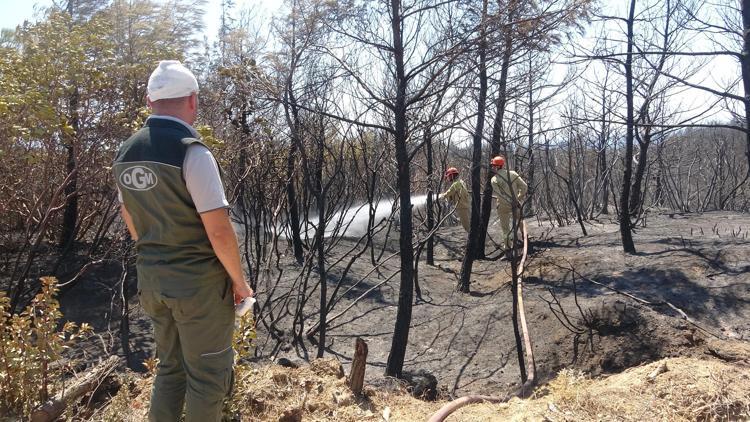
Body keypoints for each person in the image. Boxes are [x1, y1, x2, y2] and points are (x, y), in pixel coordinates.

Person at [113, 60, 253, 422]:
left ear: (149, 101)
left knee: (170, 369)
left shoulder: (125, 154)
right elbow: (219, 230)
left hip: (152, 282)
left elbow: (131, 221)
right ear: (192, 100)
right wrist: (238, 283)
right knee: (207, 377)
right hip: (198, 289)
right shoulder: (193, 152)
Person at [490, 155, 527, 250]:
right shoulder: (513, 174)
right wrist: (517, 198)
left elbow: (499, 194)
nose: (493, 167)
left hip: (503, 206)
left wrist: (509, 201)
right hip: (515, 203)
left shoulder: (494, 179)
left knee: (505, 228)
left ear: (497, 166)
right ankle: (525, 237)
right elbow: (524, 187)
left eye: (494, 165)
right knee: (520, 220)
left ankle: (507, 247)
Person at [438, 167, 470, 232]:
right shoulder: (461, 182)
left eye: (449, 176)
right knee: (469, 223)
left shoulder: (455, 185)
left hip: (462, 207)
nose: (448, 178)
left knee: (466, 226)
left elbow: (447, 194)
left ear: (452, 175)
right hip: (466, 205)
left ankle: (474, 240)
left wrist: (439, 196)